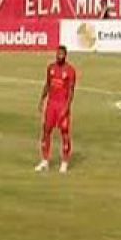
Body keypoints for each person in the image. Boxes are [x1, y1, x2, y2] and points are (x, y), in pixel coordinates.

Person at [37, 45, 77, 173]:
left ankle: (64, 162)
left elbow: (71, 91)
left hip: (62, 105)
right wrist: (42, 99)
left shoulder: (70, 71)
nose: (59, 56)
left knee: (64, 133)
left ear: (65, 55)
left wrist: (67, 107)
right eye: (57, 54)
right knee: (46, 131)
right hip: (51, 104)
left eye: (61, 54)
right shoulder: (51, 68)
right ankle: (45, 161)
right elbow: (48, 84)